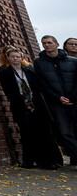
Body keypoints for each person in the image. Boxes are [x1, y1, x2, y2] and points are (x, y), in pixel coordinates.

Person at [0, 46, 62, 169]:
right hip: (21, 104)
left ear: (21, 58)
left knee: (43, 132)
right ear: (8, 58)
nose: (15, 58)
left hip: (36, 103)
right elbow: (7, 89)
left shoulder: (29, 69)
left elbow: (39, 86)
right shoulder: (4, 71)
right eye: (13, 57)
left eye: (18, 56)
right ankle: (29, 161)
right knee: (27, 132)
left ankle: (48, 161)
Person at [33, 35, 77, 166]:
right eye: (44, 43)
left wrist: (72, 97)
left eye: (49, 43)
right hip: (56, 102)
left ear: (57, 44)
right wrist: (57, 97)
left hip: (74, 100)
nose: (47, 45)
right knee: (65, 132)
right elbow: (42, 84)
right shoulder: (39, 62)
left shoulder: (72, 61)